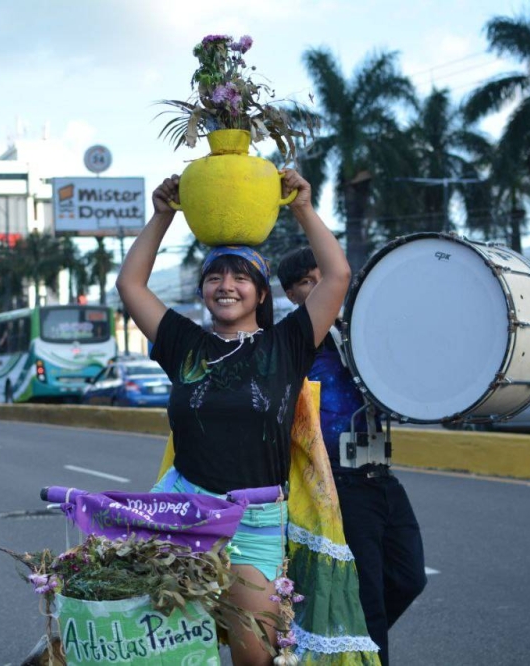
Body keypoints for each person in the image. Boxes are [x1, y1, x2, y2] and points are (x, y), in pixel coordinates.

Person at [116, 170, 350, 666]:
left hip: (254, 521)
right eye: (215, 277)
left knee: (255, 657)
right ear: (203, 289)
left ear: (261, 294)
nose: (227, 286)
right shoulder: (183, 344)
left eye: (241, 277)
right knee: (164, 653)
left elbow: (337, 277)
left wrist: (303, 208)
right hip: (179, 514)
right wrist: (162, 214)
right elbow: (130, 283)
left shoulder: (286, 345)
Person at [276, 246, 427, 664]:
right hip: (336, 483)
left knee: (409, 577)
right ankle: (359, 644)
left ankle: (345, 635)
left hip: (380, 474)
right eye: (309, 281)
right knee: (370, 597)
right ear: (292, 294)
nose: (323, 286)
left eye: (326, 277)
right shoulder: (295, 345)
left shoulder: (360, 338)